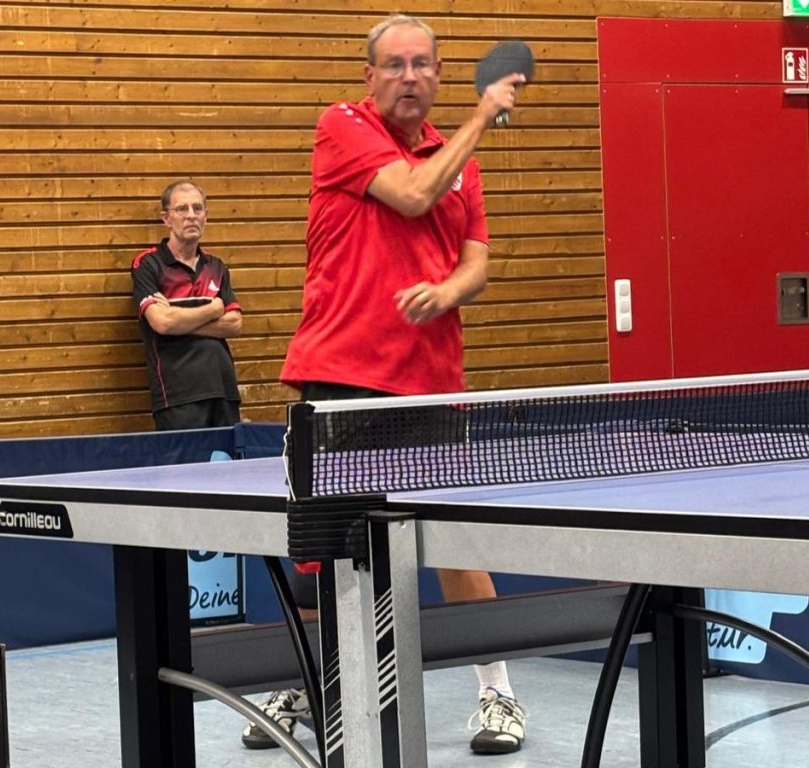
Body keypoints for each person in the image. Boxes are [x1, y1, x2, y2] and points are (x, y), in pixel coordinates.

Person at [243, 14, 528, 756]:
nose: (409, 76)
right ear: (369, 76)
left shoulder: (460, 161)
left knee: (454, 542)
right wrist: (481, 117)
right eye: (395, 65)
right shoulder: (342, 126)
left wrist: (448, 291)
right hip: (341, 375)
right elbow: (411, 194)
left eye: (422, 64)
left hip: (430, 382)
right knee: (319, 550)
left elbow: (476, 257)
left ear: (438, 73)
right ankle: (307, 680)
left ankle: (497, 694)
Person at [131, 180, 242, 430]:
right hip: (177, 394)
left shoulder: (216, 266)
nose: (191, 215)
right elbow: (162, 322)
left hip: (223, 389)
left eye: (197, 208)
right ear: (166, 218)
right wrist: (213, 310)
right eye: (182, 209)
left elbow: (234, 324)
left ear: (205, 216)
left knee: (229, 457)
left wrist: (180, 321)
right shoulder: (148, 264)